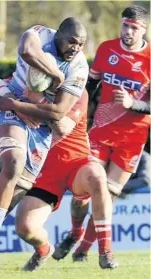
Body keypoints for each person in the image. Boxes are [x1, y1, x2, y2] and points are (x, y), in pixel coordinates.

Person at [0, 17, 89, 275]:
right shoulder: (40, 34)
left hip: (37, 123)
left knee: (12, 199)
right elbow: (26, 50)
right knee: (13, 163)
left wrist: (19, 106)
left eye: (80, 44)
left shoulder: (80, 66)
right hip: (8, 100)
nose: (75, 48)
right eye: (72, 41)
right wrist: (54, 73)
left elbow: (59, 111)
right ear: (58, 34)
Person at [55, 5, 150, 263]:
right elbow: (89, 87)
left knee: (107, 194)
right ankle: (75, 233)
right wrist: (74, 115)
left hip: (132, 139)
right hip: (100, 131)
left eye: (134, 28)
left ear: (144, 29)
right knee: (83, 191)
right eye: (125, 26)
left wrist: (134, 105)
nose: (128, 32)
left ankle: (86, 249)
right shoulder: (107, 49)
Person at [5, 88, 117, 270]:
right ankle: (44, 249)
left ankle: (105, 251)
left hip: (76, 161)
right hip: (43, 169)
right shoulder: (22, 85)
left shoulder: (76, 88)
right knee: (25, 228)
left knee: (97, 177)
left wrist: (37, 101)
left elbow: (62, 127)